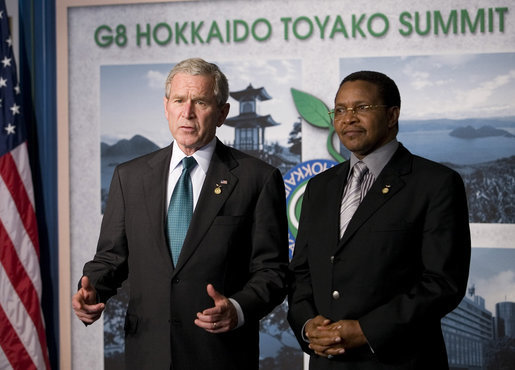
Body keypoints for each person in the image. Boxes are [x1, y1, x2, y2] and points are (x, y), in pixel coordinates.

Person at [72, 58, 288, 370]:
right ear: (166, 106)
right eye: (179, 100)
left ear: (222, 113)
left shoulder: (259, 178)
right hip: (147, 352)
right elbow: (110, 258)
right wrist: (92, 289)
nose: (187, 113)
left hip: (221, 355)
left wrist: (239, 308)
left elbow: (273, 272)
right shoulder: (129, 177)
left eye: (200, 101)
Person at [287, 70, 471, 369]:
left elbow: (442, 282)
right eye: (341, 110)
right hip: (328, 361)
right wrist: (308, 326)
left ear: (392, 115)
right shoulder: (319, 187)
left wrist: (366, 331)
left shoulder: (435, 183)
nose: (348, 119)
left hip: (400, 360)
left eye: (362, 108)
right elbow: (301, 273)